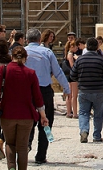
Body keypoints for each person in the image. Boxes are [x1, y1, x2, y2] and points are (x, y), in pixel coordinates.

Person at [0, 45, 48, 170]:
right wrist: (43, 115)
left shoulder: (3, 70)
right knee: (23, 146)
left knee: (10, 143)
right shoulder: (31, 73)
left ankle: (11, 167)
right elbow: (37, 97)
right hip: (26, 114)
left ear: (11, 57)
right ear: (26, 58)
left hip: (7, 113)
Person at [24, 28, 71, 165]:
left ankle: (26, 145)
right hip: (44, 91)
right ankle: (41, 154)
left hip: (27, 92)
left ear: (27, 40)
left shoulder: (22, 52)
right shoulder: (47, 52)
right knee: (46, 122)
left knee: (27, 121)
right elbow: (58, 72)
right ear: (39, 40)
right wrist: (66, 88)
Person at [70, 37, 103, 143]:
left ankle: (84, 130)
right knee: (98, 114)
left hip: (84, 90)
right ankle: (97, 136)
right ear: (97, 47)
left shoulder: (80, 59)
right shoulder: (102, 60)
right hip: (99, 90)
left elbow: (72, 75)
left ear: (86, 46)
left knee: (83, 112)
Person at [62, 41, 78, 118]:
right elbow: (73, 66)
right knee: (74, 95)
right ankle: (74, 113)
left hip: (68, 76)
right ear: (72, 47)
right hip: (73, 77)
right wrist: (77, 59)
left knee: (69, 95)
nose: (77, 48)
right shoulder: (71, 55)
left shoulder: (67, 54)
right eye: (75, 46)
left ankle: (69, 112)